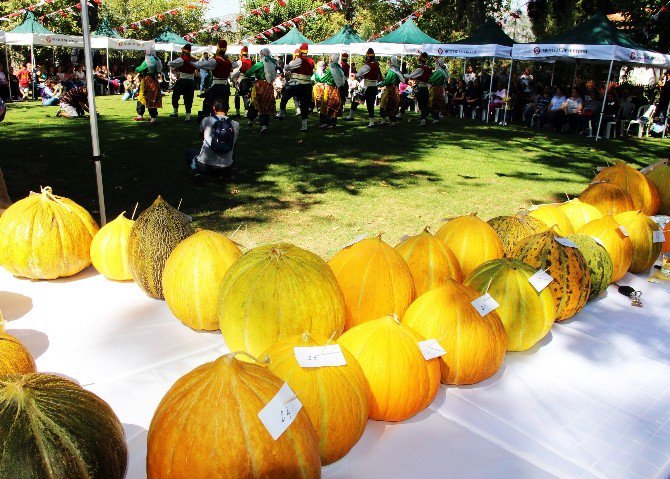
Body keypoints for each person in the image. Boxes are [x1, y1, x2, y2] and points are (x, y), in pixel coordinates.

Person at [185, 99, 240, 181]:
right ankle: (227, 175)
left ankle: (196, 173)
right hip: (226, 167)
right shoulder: (235, 124)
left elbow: (201, 137)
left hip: (205, 166)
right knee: (232, 150)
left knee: (190, 153)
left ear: (214, 108)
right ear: (228, 109)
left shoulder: (206, 120)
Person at [192, 40, 238, 124]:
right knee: (224, 103)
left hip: (216, 85)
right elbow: (236, 65)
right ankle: (223, 119)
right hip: (225, 85)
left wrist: (190, 61)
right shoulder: (229, 61)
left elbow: (200, 65)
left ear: (217, 48)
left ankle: (207, 118)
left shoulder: (215, 61)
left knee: (208, 102)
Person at [244, 48, 277, 134]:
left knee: (255, 103)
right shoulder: (272, 64)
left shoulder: (259, 64)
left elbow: (248, 73)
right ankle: (264, 126)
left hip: (260, 86)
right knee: (266, 105)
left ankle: (250, 120)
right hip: (269, 86)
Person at [283, 42, 314, 132]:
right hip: (308, 85)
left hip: (299, 84)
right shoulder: (311, 61)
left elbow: (288, 67)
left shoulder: (299, 60)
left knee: (285, 96)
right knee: (305, 105)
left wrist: (286, 67)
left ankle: (281, 112)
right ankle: (304, 125)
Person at [348, 48, 382, 127]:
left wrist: (354, 75)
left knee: (356, 101)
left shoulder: (367, 65)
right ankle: (371, 122)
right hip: (374, 87)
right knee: (370, 105)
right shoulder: (377, 65)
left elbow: (359, 74)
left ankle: (351, 116)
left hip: (367, 88)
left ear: (368, 57)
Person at [134, 45, 163, 124]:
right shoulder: (157, 60)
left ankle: (140, 115)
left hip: (147, 80)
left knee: (142, 97)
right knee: (153, 98)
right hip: (155, 81)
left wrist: (136, 68)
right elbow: (160, 69)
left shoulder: (147, 60)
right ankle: (153, 118)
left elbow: (139, 69)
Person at [167, 44, 197, 121]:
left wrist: (177, 66)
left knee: (175, 96)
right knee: (189, 98)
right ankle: (188, 117)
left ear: (183, 50)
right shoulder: (193, 60)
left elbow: (169, 63)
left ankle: (175, 112)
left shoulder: (181, 59)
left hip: (182, 80)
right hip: (191, 80)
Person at [318, 53, 346, 129]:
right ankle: (333, 123)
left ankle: (325, 123)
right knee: (335, 105)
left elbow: (322, 79)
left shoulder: (331, 69)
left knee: (326, 105)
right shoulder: (339, 68)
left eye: (330, 58)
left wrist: (316, 75)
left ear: (332, 59)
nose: (329, 59)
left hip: (329, 89)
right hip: (337, 89)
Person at [405, 52, 433, 126]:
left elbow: (411, 76)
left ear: (420, 59)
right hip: (425, 89)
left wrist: (402, 75)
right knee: (423, 104)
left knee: (409, 99)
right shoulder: (429, 69)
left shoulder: (420, 69)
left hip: (419, 89)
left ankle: (400, 113)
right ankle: (423, 119)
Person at [377, 56, 404, 127]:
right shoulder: (397, 71)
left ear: (391, 62)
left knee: (384, 104)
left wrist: (378, 84)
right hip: (396, 90)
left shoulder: (391, 71)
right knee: (394, 105)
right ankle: (393, 121)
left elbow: (387, 81)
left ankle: (384, 121)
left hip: (390, 90)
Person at [428, 58, 449, 122]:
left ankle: (435, 118)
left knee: (433, 103)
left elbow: (431, 80)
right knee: (438, 103)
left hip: (435, 89)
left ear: (438, 64)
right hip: (441, 89)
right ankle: (437, 117)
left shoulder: (438, 72)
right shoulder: (445, 71)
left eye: (436, 63)